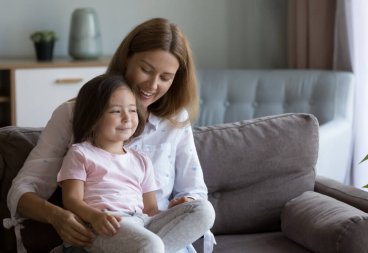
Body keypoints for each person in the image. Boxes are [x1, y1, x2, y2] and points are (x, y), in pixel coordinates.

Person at [6, 17, 215, 253]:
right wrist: (58, 216)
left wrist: (185, 202)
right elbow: (22, 190)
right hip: (108, 231)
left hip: (155, 232)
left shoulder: (175, 121)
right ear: (126, 60)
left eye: (165, 77)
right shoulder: (72, 117)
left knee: (202, 211)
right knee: (149, 246)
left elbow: (193, 192)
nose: (152, 85)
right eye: (146, 69)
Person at [58, 74, 210, 253]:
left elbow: (151, 209)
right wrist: (95, 217)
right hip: (104, 226)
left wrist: (172, 212)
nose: (127, 118)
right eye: (116, 111)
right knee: (151, 246)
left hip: (141, 223)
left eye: (132, 110)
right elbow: (71, 200)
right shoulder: (80, 153)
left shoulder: (141, 160)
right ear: (93, 117)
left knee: (203, 210)